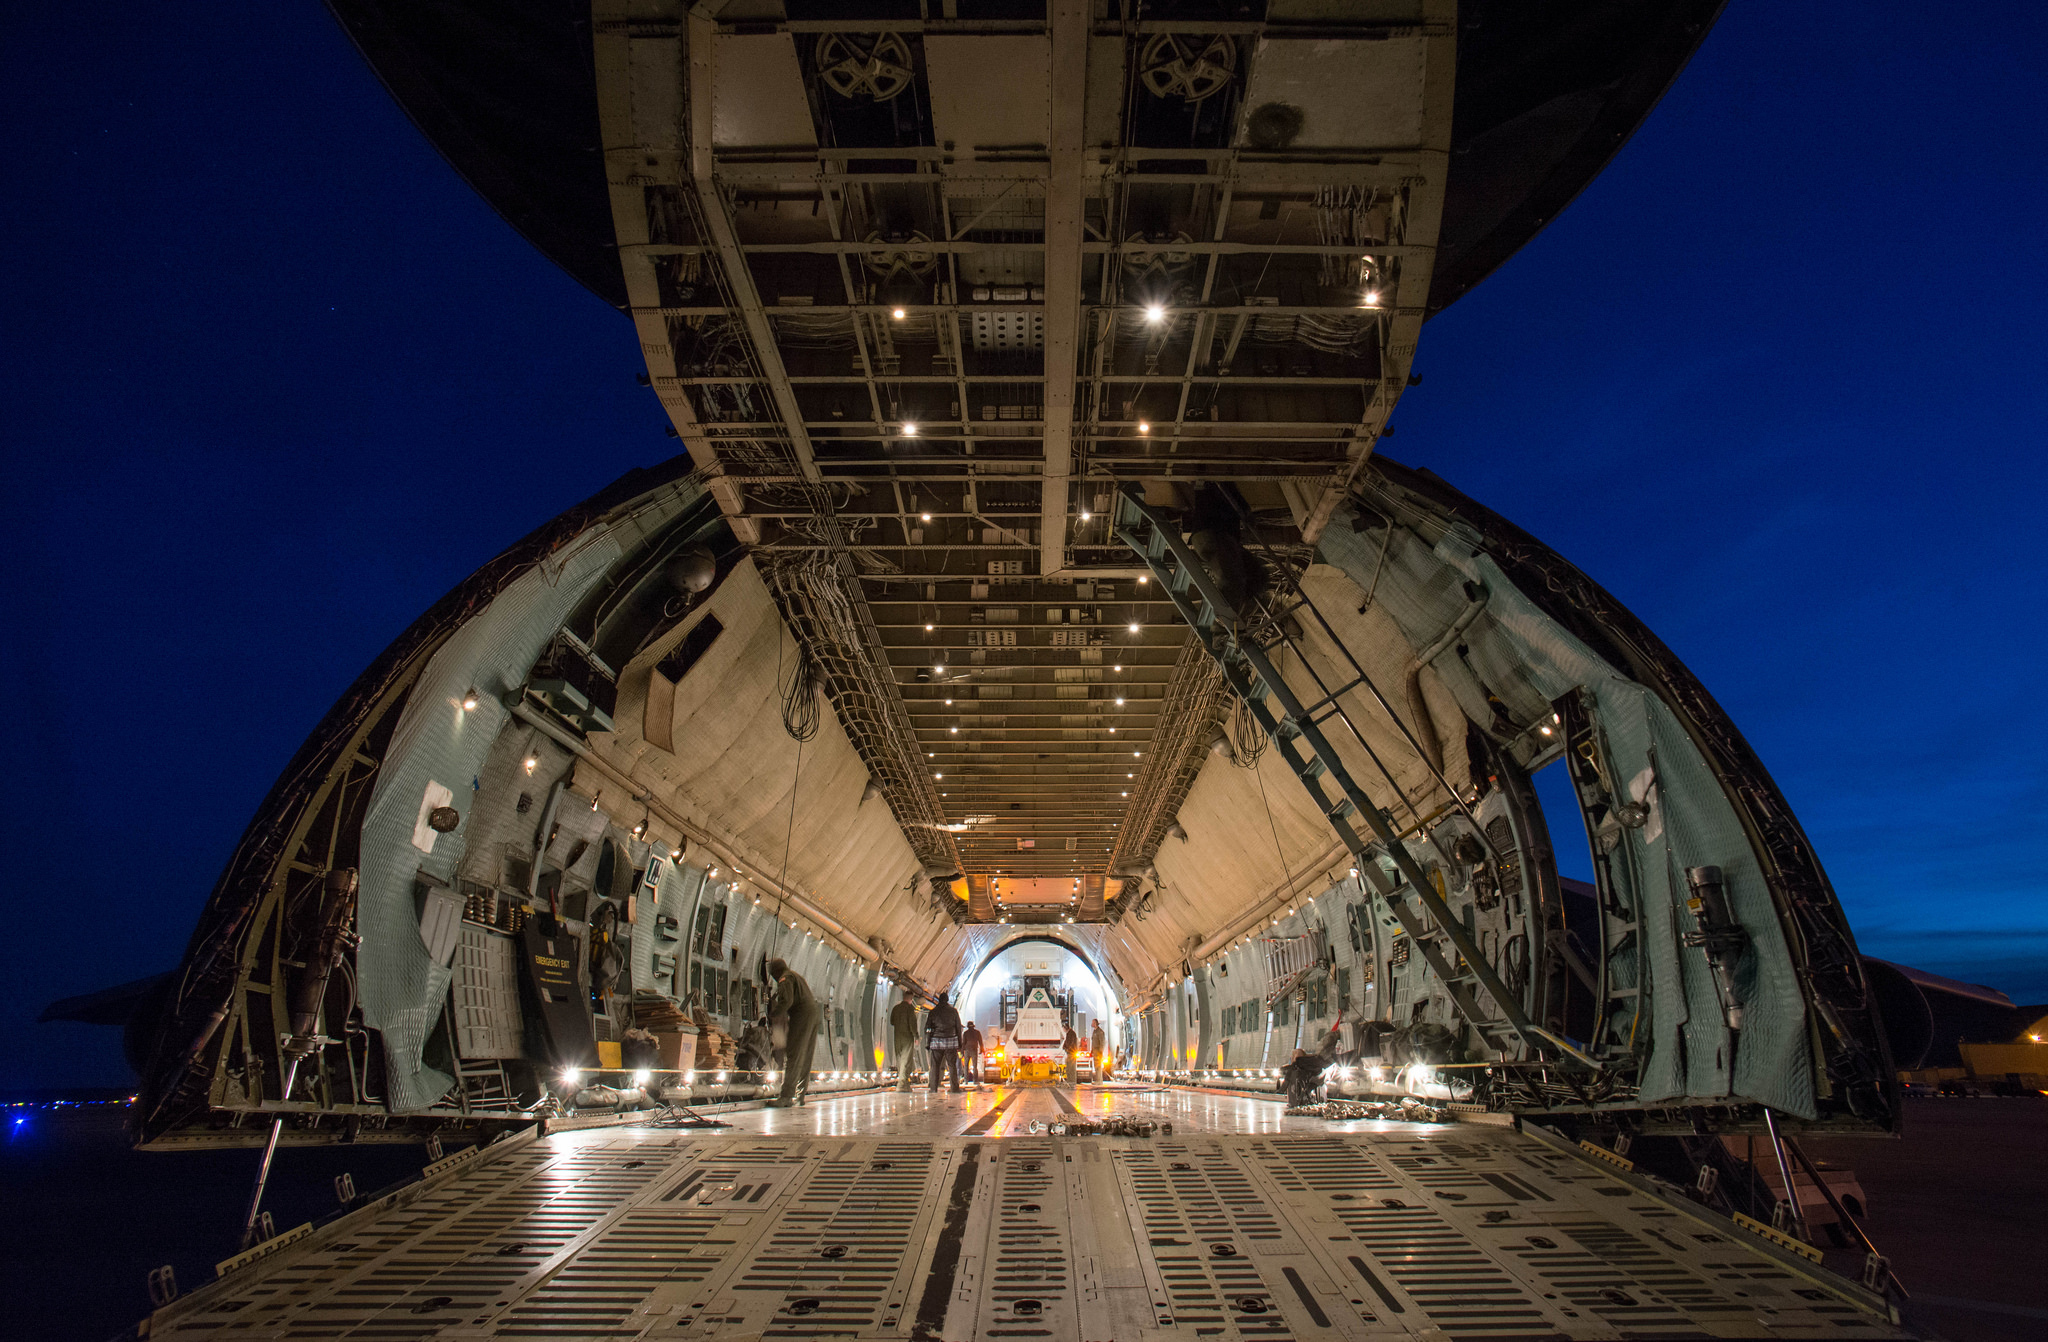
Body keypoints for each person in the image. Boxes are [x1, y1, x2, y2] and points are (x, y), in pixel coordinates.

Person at [763, 958, 822, 1107]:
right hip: (813, 1014)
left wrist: (773, 1014)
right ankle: (799, 1095)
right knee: (805, 1056)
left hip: (802, 1015)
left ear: (776, 973)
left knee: (794, 1054)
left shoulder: (785, 978)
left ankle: (786, 1096)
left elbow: (787, 1001)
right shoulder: (796, 976)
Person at [925, 991, 964, 1093]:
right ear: (947, 1000)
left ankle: (933, 1088)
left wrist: (928, 1043)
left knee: (935, 1066)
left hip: (936, 1042)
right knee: (952, 1065)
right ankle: (954, 1088)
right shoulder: (953, 1011)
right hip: (951, 1042)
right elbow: (958, 1028)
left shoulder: (933, 1012)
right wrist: (960, 1044)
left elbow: (928, 1028)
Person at [889, 993, 921, 1091]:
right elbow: (912, 1024)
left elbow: (891, 1022)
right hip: (907, 1037)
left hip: (897, 1037)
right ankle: (901, 1085)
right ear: (911, 999)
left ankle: (905, 1084)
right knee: (906, 1060)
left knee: (899, 1059)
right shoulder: (910, 1009)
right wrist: (916, 1037)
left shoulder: (895, 1008)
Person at [960, 1020, 984, 1085]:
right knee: (974, 1065)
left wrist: (962, 1052)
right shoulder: (977, 1032)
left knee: (966, 1066)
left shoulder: (965, 1033)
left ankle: (966, 1080)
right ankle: (975, 1080)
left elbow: (963, 1043)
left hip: (967, 1050)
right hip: (974, 1050)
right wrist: (982, 1050)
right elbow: (980, 1042)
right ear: (973, 1026)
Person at [1089, 1017, 1108, 1082]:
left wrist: (1100, 1051)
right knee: (1096, 1066)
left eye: (1092, 1022)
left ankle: (1099, 1081)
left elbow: (1102, 1042)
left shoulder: (1100, 1032)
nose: (1091, 1024)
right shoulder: (1094, 1031)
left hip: (1098, 1051)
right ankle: (1097, 1080)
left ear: (1095, 1023)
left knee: (1098, 1066)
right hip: (1095, 1051)